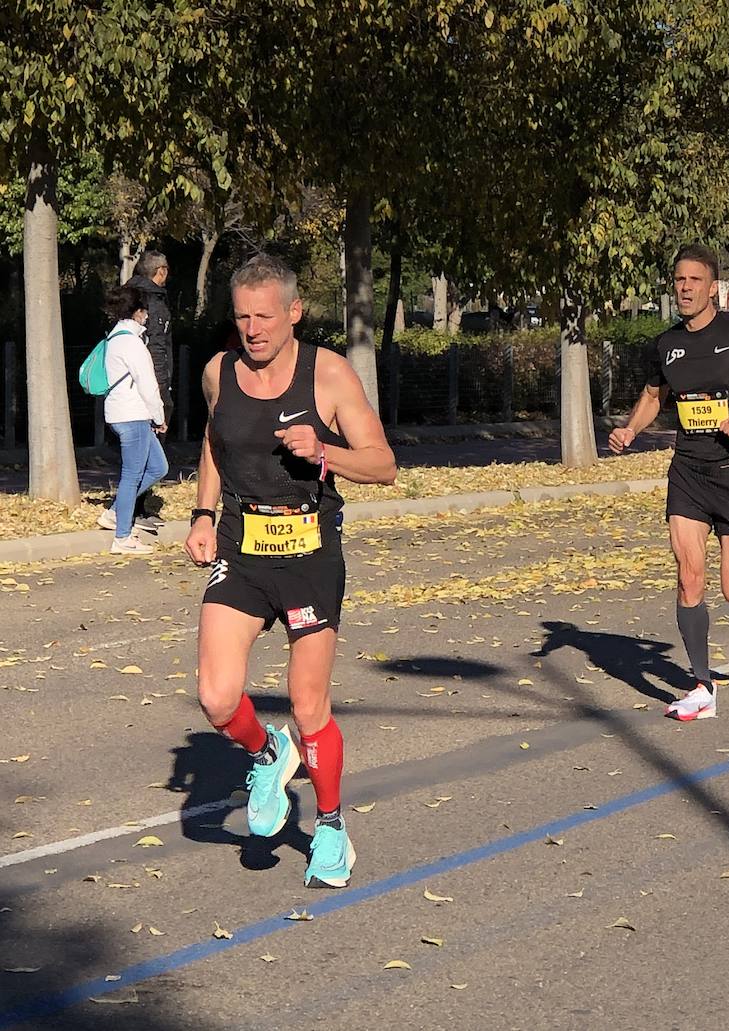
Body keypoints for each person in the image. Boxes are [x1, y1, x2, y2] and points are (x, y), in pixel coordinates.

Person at [184, 254, 396, 888]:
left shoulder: (328, 375)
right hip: (241, 545)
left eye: (265, 317)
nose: (253, 329)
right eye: (243, 316)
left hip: (308, 553)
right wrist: (200, 513)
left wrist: (325, 453)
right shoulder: (218, 371)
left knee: (309, 706)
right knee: (217, 694)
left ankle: (330, 827)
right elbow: (215, 444)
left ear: (294, 313)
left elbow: (383, 464)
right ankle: (266, 752)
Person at [609, 244, 729, 722]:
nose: (685, 288)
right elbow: (655, 395)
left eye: (695, 280)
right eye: (679, 280)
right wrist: (632, 428)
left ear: (713, 287)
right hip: (688, 472)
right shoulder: (667, 344)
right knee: (688, 574)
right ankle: (702, 686)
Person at [97, 284, 169, 554]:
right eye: (145, 311)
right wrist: (159, 416)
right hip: (134, 415)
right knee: (132, 475)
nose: (148, 316)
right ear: (138, 312)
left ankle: (115, 512)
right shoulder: (132, 343)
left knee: (158, 467)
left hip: (122, 413)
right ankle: (123, 537)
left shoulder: (115, 338)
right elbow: (147, 384)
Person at [127, 251, 174, 526]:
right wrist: (160, 390)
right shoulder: (151, 301)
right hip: (152, 387)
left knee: (143, 450)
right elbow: (156, 346)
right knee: (149, 450)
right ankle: (132, 509)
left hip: (141, 385)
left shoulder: (132, 296)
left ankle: (138, 507)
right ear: (161, 271)